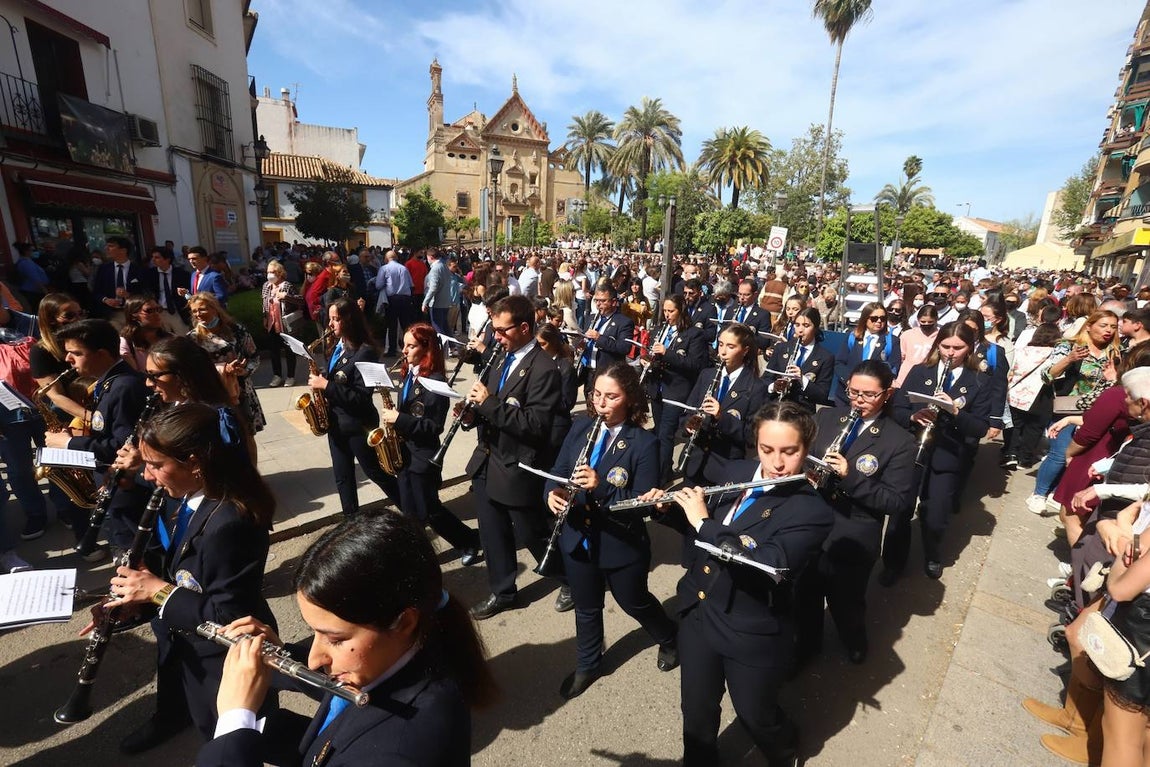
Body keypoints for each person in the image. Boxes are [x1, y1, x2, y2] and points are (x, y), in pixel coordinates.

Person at [196, 510, 497, 766]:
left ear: (404, 622)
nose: (314, 660)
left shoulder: (398, 753)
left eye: (336, 639)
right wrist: (277, 658)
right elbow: (339, 729)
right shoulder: (400, 657)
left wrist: (234, 723)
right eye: (315, 632)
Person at [646, 401, 833, 766]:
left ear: (807, 448)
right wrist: (668, 511)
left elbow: (767, 563)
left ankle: (784, 750)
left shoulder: (811, 511)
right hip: (700, 610)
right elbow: (699, 532)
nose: (776, 463)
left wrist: (703, 522)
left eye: (789, 451)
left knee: (755, 714)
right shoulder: (736, 471)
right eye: (767, 449)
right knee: (696, 708)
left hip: (750, 626)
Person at [99, 403, 276, 754]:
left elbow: (229, 615)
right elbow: (173, 566)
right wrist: (136, 599)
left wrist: (158, 593)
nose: (147, 475)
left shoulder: (230, 523)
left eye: (156, 465)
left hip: (223, 661)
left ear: (194, 463)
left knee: (228, 740)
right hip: (184, 641)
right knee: (199, 715)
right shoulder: (183, 496)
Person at [545, 361, 680, 703]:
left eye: (611, 397)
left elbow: (643, 503)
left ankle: (669, 637)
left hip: (620, 542)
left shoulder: (644, 443)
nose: (600, 403)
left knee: (634, 601)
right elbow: (558, 469)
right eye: (596, 395)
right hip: (578, 535)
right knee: (586, 605)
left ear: (630, 399)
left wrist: (601, 486)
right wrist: (551, 492)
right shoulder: (580, 426)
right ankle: (588, 664)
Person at [796, 361, 917, 664]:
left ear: (887, 394)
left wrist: (849, 476)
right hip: (812, 522)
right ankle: (807, 646)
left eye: (869, 395)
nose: (858, 400)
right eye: (853, 392)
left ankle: (854, 640)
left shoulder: (900, 441)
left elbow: (896, 502)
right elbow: (803, 454)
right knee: (805, 594)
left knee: (846, 601)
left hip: (853, 531)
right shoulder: (826, 417)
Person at [463, 294, 564, 620]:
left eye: (502, 330)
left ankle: (568, 577)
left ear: (523, 328)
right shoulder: (500, 356)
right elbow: (490, 405)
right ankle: (503, 591)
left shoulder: (544, 369)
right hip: (487, 458)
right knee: (492, 533)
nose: (496, 337)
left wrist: (489, 404)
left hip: (516, 464)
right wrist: (472, 414)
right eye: (494, 330)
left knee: (531, 533)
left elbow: (535, 426)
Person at [889, 323, 992, 580]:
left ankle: (932, 552)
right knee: (900, 511)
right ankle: (893, 563)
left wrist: (955, 411)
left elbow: (980, 428)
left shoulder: (979, 380)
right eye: (945, 346)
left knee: (936, 514)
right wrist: (913, 416)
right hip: (912, 450)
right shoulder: (919, 371)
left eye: (958, 347)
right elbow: (896, 409)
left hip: (948, 455)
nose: (950, 353)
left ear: (970, 349)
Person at [45, 319, 151, 552]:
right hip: (112, 483)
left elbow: (123, 446)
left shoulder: (124, 387)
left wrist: (69, 443)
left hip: (126, 490)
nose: (67, 359)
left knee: (134, 548)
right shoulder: (108, 383)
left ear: (102, 354)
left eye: (76, 353)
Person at [379, 322, 481, 564]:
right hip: (405, 453)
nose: (404, 350)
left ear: (427, 349)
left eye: (411, 346)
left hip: (423, 457)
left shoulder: (435, 383)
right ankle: (416, 555)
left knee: (430, 510)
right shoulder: (409, 373)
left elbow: (433, 426)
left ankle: (468, 540)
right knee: (409, 510)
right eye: (404, 345)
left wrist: (399, 419)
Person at [309, 297, 399, 517]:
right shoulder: (337, 347)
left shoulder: (365, 352)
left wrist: (327, 386)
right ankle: (351, 520)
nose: (330, 324)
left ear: (349, 321)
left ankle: (411, 509)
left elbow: (360, 397)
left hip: (358, 424)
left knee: (375, 472)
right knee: (343, 476)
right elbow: (338, 378)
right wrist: (322, 381)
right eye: (330, 319)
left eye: (335, 319)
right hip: (336, 423)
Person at [1027, 310, 1121, 515]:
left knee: (1079, 456)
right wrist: (1069, 359)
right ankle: (1039, 494)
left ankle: (1055, 492)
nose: (1108, 330)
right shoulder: (1068, 346)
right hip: (1065, 409)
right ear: (1089, 326)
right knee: (1060, 453)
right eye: (1103, 325)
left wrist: (1113, 377)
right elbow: (1047, 376)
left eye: (1113, 327)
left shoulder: (1116, 353)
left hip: (1096, 412)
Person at [680, 323, 767, 487]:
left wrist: (722, 417)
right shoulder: (707, 375)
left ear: (745, 351)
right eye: (720, 344)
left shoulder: (756, 387)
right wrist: (689, 425)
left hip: (725, 466)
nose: (723, 352)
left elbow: (752, 436)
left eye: (730, 346)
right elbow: (687, 412)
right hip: (695, 460)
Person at [645, 295, 707, 485]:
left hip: (676, 390)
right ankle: (662, 466)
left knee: (666, 434)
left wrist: (667, 353)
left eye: (671, 311)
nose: (667, 315)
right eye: (665, 310)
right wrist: (646, 360)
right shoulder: (660, 329)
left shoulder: (693, 334)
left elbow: (696, 364)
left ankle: (662, 477)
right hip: (657, 387)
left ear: (681, 311)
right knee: (658, 431)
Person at [187, 293, 266, 439]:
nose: (198, 314)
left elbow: (254, 357)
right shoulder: (192, 338)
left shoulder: (237, 330)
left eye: (202, 309)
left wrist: (244, 371)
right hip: (213, 395)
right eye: (194, 311)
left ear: (215, 308)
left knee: (247, 436)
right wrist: (223, 369)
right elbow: (193, 370)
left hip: (241, 391)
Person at [763, 306, 834, 412]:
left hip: (802, 411)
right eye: (797, 325)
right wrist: (774, 386)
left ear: (815, 328)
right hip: (777, 406)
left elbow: (822, 395)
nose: (800, 330)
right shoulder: (781, 348)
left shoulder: (825, 357)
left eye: (806, 325)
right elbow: (765, 380)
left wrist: (802, 379)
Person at [833, 302, 901, 405]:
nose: (879, 321)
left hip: (871, 398)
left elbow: (893, 368)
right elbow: (839, 363)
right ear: (865, 319)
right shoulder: (852, 337)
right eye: (874, 318)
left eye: (882, 318)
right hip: (846, 396)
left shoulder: (892, 341)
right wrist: (849, 381)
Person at [577, 284, 635, 397]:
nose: (598, 304)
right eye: (596, 300)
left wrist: (599, 338)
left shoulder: (624, 322)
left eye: (603, 301)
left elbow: (624, 347)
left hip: (607, 373)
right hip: (589, 372)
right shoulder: (591, 318)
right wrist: (582, 344)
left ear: (613, 302)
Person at [261, 259, 300, 387]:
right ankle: (277, 375)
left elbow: (300, 300)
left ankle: (290, 376)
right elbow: (264, 303)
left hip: (285, 324)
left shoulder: (287, 286)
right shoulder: (266, 286)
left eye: (272, 272)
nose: (269, 275)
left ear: (279, 273)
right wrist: (264, 317)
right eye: (268, 272)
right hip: (271, 324)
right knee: (274, 351)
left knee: (289, 351)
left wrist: (286, 297)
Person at [145, 246, 191, 336]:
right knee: (164, 340)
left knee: (184, 338)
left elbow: (189, 296)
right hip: (159, 313)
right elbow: (146, 292)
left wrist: (185, 294)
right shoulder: (149, 274)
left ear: (167, 259)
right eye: (152, 257)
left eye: (157, 257)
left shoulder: (182, 274)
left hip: (178, 312)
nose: (153, 260)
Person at [119, 295, 172, 371]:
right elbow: (132, 375)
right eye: (149, 311)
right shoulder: (126, 344)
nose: (156, 314)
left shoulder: (171, 339)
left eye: (158, 309)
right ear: (133, 316)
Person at [894, 305, 939, 388]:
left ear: (936, 320)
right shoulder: (907, 335)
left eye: (930, 322)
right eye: (923, 322)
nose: (926, 324)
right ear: (918, 320)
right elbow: (900, 357)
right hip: (906, 376)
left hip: (928, 376)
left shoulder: (940, 336)